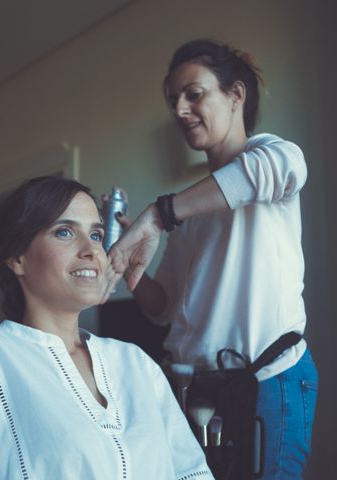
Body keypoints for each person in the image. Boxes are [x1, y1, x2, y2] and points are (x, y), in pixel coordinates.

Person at [105, 39, 318, 478]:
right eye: (173, 100)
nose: (180, 109)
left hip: (267, 384)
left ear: (236, 95)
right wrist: (135, 272)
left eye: (194, 94)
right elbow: (164, 308)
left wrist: (158, 216)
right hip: (190, 392)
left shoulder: (273, 156)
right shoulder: (191, 210)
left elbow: (276, 170)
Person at [0, 176, 213, 479]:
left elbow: (191, 472)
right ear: (17, 258)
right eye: (64, 232)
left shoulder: (136, 362)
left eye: (97, 235)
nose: (91, 251)